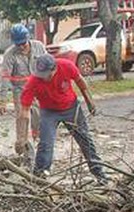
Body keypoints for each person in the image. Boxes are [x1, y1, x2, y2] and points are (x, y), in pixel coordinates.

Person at [17, 54, 108, 183]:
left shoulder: (66, 65)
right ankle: (39, 177)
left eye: (47, 75)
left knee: (85, 140)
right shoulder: (34, 82)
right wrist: (22, 137)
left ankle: (100, 174)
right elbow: (24, 111)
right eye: (41, 75)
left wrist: (89, 102)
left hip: (71, 108)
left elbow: (81, 82)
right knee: (46, 144)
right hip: (49, 112)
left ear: (54, 69)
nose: (45, 78)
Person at [0, 23, 47, 159]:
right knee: (22, 118)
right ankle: (22, 147)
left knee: (39, 117)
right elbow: (5, 77)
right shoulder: (10, 54)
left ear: (28, 38)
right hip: (20, 90)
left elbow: (48, 65)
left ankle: (38, 143)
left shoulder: (39, 47)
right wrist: (2, 100)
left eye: (23, 44)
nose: (21, 47)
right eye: (18, 44)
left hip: (38, 89)